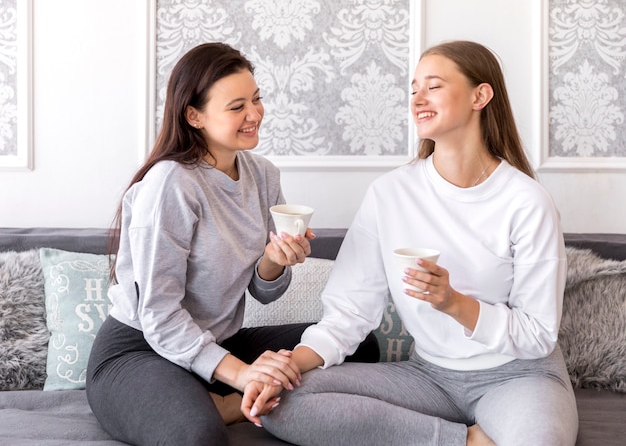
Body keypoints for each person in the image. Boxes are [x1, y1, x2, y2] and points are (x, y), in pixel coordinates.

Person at [243, 40, 579, 446]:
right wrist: (282, 369)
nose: (417, 98)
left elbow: (538, 334)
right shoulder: (391, 193)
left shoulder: (527, 201)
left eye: (433, 86)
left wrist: (456, 303)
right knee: (284, 404)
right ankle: (467, 440)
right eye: (414, 88)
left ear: (480, 95)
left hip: (518, 375)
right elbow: (349, 313)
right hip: (427, 377)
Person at [85, 42, 380, 446]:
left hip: (216, 343)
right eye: (237, 106)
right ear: (194, 116)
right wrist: (243, 374)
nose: (254, 114)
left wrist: (274, 260)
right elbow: (159, 315)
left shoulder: (263, 176)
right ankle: (227, 403)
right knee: (197, 436)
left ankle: (232, 392)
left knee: (360, 343)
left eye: (256, 100)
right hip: (142, 350)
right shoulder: (171, 183)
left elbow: (261, 290)